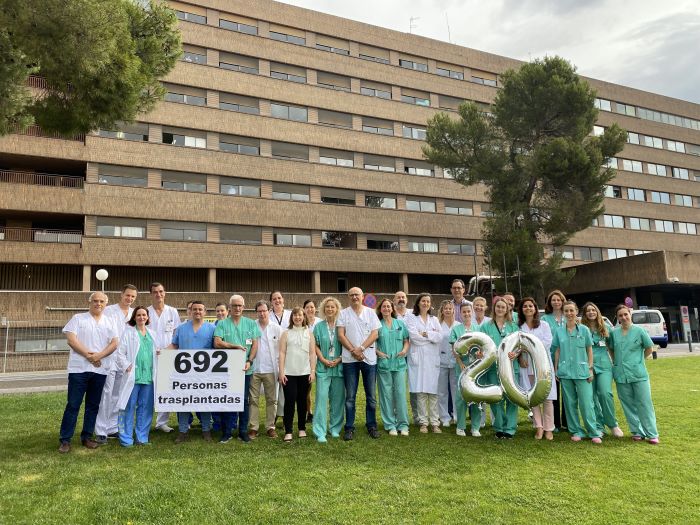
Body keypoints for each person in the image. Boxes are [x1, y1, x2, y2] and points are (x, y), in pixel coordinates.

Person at [58, 292, 119, 453]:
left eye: (101, 301)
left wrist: (98, 356)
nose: (98, 303)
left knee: (92, 406)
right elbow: (71, 340)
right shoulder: (78, 318)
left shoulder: (110, 321)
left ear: (106, 304)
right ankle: (65, 440)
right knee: (73, 404)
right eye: (95, 301)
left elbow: (114, 343)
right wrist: (89, 355)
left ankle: (87, 437)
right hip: (79, 369)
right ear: (89, 302)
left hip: (100, 369)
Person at [551, 301, 603, 444]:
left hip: (582, 371)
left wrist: (590, 368)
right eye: (566, 311)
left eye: (571, 311)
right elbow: (557, 350)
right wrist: (556, 369)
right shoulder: (559, 331)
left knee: (587, 403)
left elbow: (589, 349)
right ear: (563, 313)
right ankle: (576, 430)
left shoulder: (584, 330)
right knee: (570, 403)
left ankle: (593, 432)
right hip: (565, 372)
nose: (569, 314)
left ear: (576, 312)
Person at [609, 304, 659, 444]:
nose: (624, 317)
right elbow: (611, 349)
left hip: (638, 373)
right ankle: (637, 432)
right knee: (628, 404)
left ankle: (652, 433)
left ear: (630, 314)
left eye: (625, 314)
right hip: (621, 374)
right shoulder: (614, 333)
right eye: (620, 315)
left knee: (644, 403)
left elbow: (649, 348)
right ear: (617, 318)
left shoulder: (640, 331)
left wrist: (639, 360)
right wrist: (616, 362)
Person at [214, 294, 261, 443]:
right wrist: (234, 346)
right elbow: (217, 343)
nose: (237, 308)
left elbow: (254, 344)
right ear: (230, 308)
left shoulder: (250, 324)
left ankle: (242, 431)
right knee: (227, 400)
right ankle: (227, 432)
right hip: (227, 370)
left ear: (244, 307)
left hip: (245, 369)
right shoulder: (222, 324)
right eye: (234, 305)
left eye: (240, 305)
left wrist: (250, 360)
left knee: (244, 401)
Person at [94, 284, 137, 444]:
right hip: (110, 358)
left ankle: (113, 428)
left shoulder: (134, 313)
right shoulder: (109, 310)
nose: (130, 299)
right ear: (121, 294)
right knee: (106, 394)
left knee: (118, 395)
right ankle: (101, 430)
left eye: (133, 297)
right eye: (127, 295)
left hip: (125, 360)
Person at [168, 300, 216, 443]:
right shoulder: (181, 328)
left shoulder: (212, 328)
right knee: (184, 401)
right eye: (194, 309)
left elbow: (217, 347)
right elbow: (174, 345)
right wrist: (163, 352)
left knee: (205, 400)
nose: (197, 312)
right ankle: (183, 430)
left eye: (200, 309)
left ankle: (206, 429)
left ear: (205, 311)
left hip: (205, 372)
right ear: (190, 311)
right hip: (184, 372)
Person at [337, 287, 381, 440]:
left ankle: (372, 425)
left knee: (371, 396)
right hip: (350, 360)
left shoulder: (370, 313)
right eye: (351, 295)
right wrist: (353, 351)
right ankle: (349, 427)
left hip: (369, 359)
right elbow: (340, 335)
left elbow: (375, 334)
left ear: (363, 297)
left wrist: (361, 349)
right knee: (350, 396)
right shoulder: (343, 313)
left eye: (357, 294)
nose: (354, 297)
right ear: (348, 297)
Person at [581, 302, 624, 438]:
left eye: (593, 310)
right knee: (592, 396)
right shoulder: (582, 329)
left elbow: (611, 347)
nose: (591, 312)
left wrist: (616, 363)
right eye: (588, 311)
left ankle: (612, 424)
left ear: (597, 312)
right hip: (588, 366)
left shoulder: (605, 328)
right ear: (585, 314)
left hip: (604, 365)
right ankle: (599, 426)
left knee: (605, 394)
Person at [115, 306, 156, 447]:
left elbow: (157, 351)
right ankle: (126, 439)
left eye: (144, 315)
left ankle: (142, 437)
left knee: (145, 408)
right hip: (133, 376)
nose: (141, 317)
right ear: (134, 317)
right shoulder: (128, 333)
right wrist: (126, 365)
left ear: (148, 317)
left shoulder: (152, 334)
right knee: (128, 407)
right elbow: (119, 353)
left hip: (148, 377)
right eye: (138, 315)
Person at [479, 296, 519, 438]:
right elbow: (480, 344)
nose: (500, 309)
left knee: (512, 399)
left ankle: (510, 429)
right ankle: (500, 427)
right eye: (498, 307)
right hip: (493, 368)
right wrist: (480, 353)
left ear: (507, 309)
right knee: (496, 398)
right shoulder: (485, 326)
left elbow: (520, 345)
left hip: (510, 367)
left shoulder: (513, 326)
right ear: (494, 308)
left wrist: (516, 353)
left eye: (503, 307)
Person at [517, 297, 556, 440]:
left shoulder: (544, 325)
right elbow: (517, 346)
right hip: (527, 366)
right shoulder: (519, 327)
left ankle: (549, 429)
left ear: (535, 308)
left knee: (547, 398)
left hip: (542, 365)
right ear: (521, 310)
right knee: (533, 397)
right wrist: (521, 357)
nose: (528, 308)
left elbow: (547, 342)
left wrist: (530, 349)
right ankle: (539, 427)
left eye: (531, 306)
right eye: (525, 306)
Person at [278, 307, 316, 442]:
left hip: (305, 373)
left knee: (302, 402)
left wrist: (312, 371)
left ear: (304, 317)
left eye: (300, 315)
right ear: (292, 317)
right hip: (289, 373)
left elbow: (312, 353)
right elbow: (282, 353)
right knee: (289, 401)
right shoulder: (286, 333)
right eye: (295, 315)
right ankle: (288, 430)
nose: (297, 317)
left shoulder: (309, 333)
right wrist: (281, 372)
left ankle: (301, 428)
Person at [147, 282, 181, 433]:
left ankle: (162, 422)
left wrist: (167, 350)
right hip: (148, 356)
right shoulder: (145, 312)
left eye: (161, 291)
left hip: (168, 356)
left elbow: (176, 334)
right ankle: (145, 421)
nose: (158, 294)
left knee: (165, 388)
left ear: (165, 293)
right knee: (148, 389)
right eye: (155, 292)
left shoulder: (172, 311)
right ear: (151, 294)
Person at [407, 293, 443, 433]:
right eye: (423, 301)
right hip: (418, 359)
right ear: (418, 303)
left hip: (432, 359)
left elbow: (439, 337)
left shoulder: (434, 319)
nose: (426, 303)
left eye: (428, 301)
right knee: (421, 392)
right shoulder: (411, 318)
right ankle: (423, 422)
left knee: (433, 392)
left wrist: (425, 333)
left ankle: (435, 422)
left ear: (430, 304)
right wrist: (430, 336)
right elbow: (414, 337)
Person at [312, 297, 345, 442]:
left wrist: (339, 359)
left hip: (339, 366)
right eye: (327, 307)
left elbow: (347, 344)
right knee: (321, 399)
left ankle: (335, 428)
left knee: (337, 399)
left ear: (337, 309)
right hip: (323, 367)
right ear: (323, 309)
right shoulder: (319, 326)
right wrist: (323, 360)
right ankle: (320, 431)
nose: (330, 309)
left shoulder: (342, 325)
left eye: (332, 307)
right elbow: (315, 346)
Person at [375, 298, 410, 436]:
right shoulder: (377, 325)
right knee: (386, 395)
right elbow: (372, 343)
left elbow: (406, 341)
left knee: (400, 394)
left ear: (392, 308)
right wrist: (378, 353)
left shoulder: (400, 324)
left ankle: (403, 425)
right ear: (380, 309)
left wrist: (405, 350)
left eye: (388, 306)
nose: (386, 309)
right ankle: (390, 425)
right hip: (384, 364)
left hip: (399, 364)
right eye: (384, 307)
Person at [249, 300, 283, 439]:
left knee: (272, 400)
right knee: (253, 400)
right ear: (256, 312)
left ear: (269, 311)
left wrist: (281, 370)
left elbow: (282, 351)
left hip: (271, 369)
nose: (262, 313)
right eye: (259, 311)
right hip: (254, 369)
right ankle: (253, 427)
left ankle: (270, 427)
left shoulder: (277, 328)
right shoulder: (251, 327)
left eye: (264, 310)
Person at [449, 303, 482, 437]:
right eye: (464, 312)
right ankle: (461, 426)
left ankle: (475, 427)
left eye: (469, 311)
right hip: (462, 368)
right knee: (461, 397)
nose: (467, 314)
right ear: (460, 314)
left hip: (477, 368)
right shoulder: (456, 330)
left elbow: (482, 347)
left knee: (476, 396)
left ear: (472, 312)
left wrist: (480, 355)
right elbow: (454, 349)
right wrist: (460, 363)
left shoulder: (478, 328)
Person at [541, 289, 568, 432]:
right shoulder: (545, 319)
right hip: (551, 360)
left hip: (568, 359)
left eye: (558, 299)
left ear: (562, 301)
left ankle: (568, 422)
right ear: (550, 303)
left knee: (569, 393)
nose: (556, 302)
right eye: (553, 300)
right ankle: (556, 423)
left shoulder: (569, 317)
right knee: (554, 392)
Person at [437, 300, 459, 427]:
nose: (448, 310)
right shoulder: (438, 325)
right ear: (442, 310)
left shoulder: (458, 325)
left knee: (455, 390)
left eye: (450, 308)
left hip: (455, 362)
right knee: (442, 391)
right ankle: (444, 417)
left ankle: (456, 415)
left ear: (453, 310)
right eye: (446, 308)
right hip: (441, 361)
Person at [303, 299, 321, 422]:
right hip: (305, 360)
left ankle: (319, 414)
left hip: (320, 359)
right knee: (306, 389)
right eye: (308, 307)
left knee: (320, 389)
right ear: (304, 309)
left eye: (312, 307)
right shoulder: (301, 323)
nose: (310, 309)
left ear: (315, 309)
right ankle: (309, 412)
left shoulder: (320, 322)